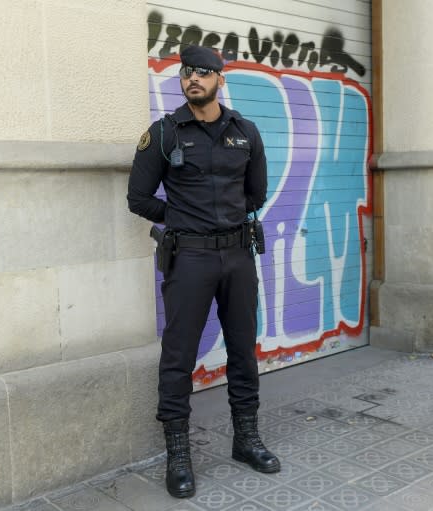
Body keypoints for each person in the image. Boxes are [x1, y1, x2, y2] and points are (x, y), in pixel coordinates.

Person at [127, 45, 279, 499]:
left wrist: (226, 220)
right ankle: (179, 455)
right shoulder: (164, 133)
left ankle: (246, 440)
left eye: (204, 72)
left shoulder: (245, 132)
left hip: (237, 256)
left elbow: (256, 193)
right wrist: (182, 219)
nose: (194, 79)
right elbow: (138, 198)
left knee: (242, 350)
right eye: (187, 72)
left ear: (220, 79)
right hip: (188, 258)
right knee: (178, 355)